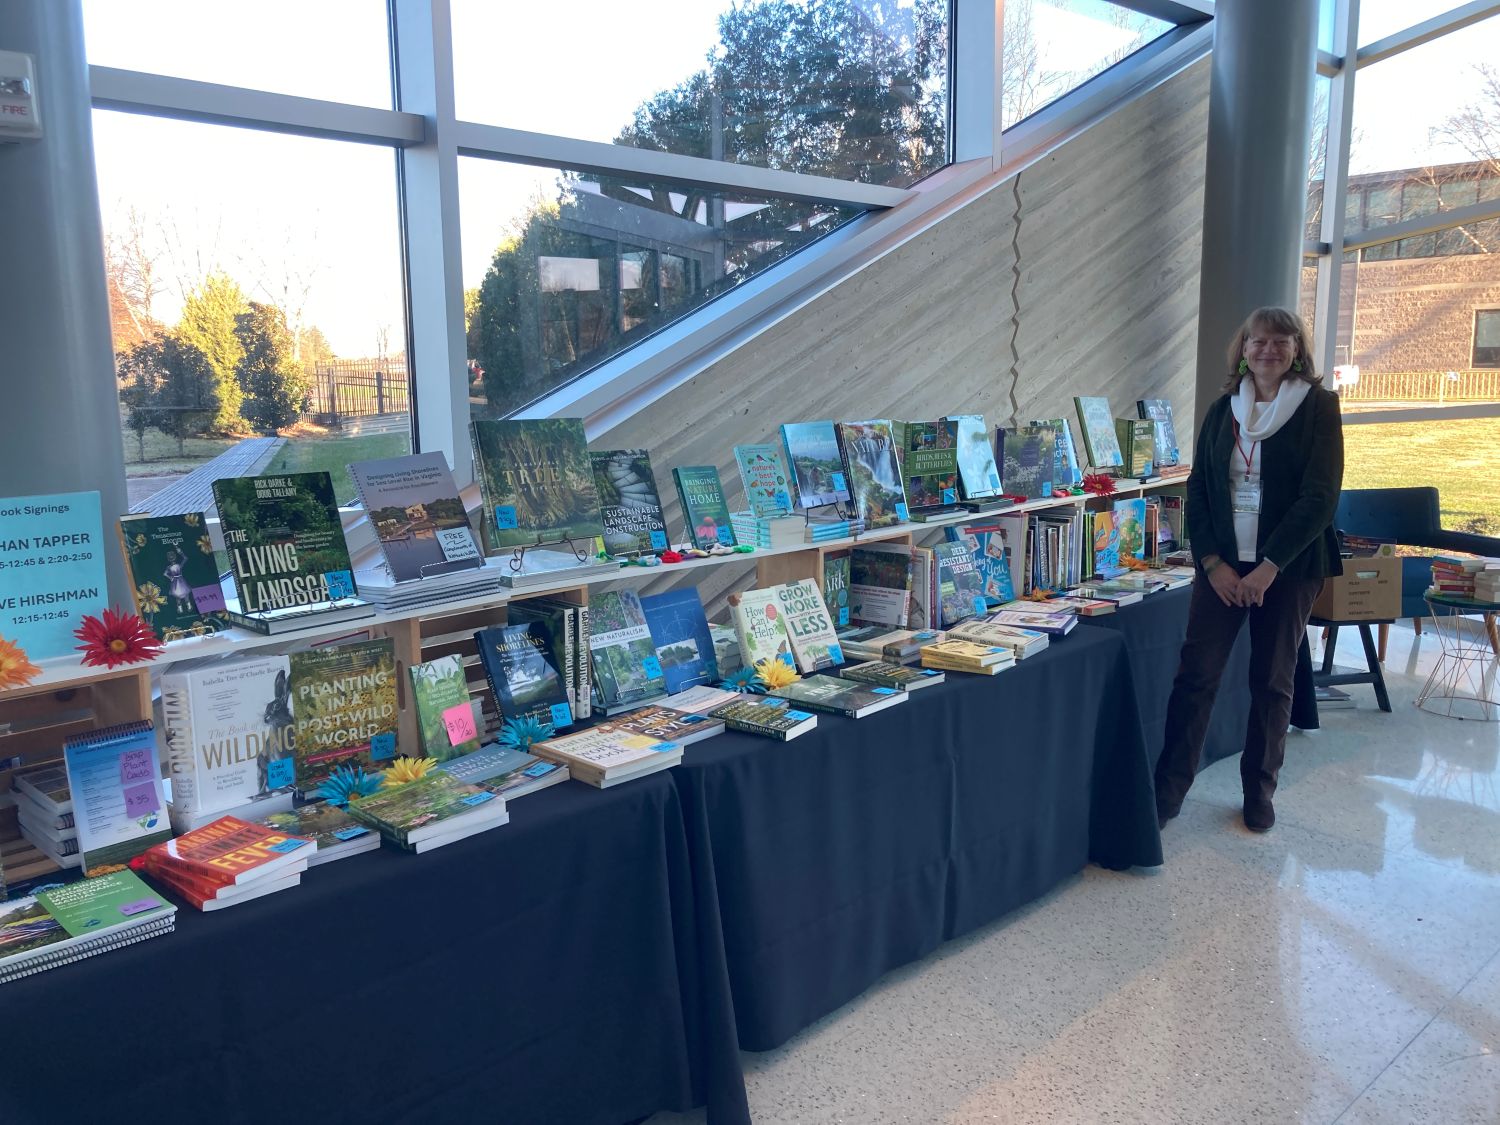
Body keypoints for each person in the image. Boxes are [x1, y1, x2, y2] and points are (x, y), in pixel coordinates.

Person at [1155, 306, 1344, 833]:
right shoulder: (1224, 410)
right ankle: (1167, 792)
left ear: (1297, 351)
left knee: (1272, 680)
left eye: (1282, 341)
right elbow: (1198, 488)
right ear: (1243, 349)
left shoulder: (1318, 408)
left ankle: (1259, 793)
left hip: (1288, 567)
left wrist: (1268, 567)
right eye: (1258, 340)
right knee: (1196, 677)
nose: (1268, 350)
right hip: (1222, 566)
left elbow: (1320, 497)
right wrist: (1212, 562)